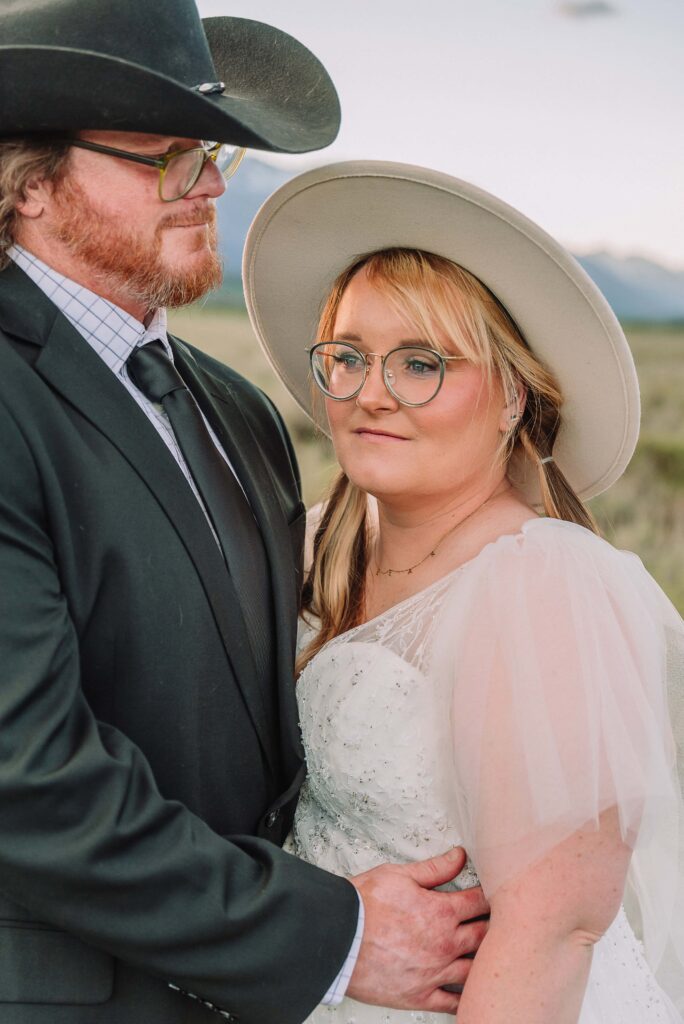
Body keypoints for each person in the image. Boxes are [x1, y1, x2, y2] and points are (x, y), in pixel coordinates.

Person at [0, 8, 491, 1024]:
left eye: (210, 152)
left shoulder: (242, 411)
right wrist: (332, 935)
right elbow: (30, 781)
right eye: (164, 156)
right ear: (33, 182)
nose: (212, 184)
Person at [243, 160, 684, 1023]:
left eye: (420, 363)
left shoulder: (542, 585)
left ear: (513, 393)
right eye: (348, 358)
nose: (372, 395)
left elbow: (553, 933)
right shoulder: (313, 538)